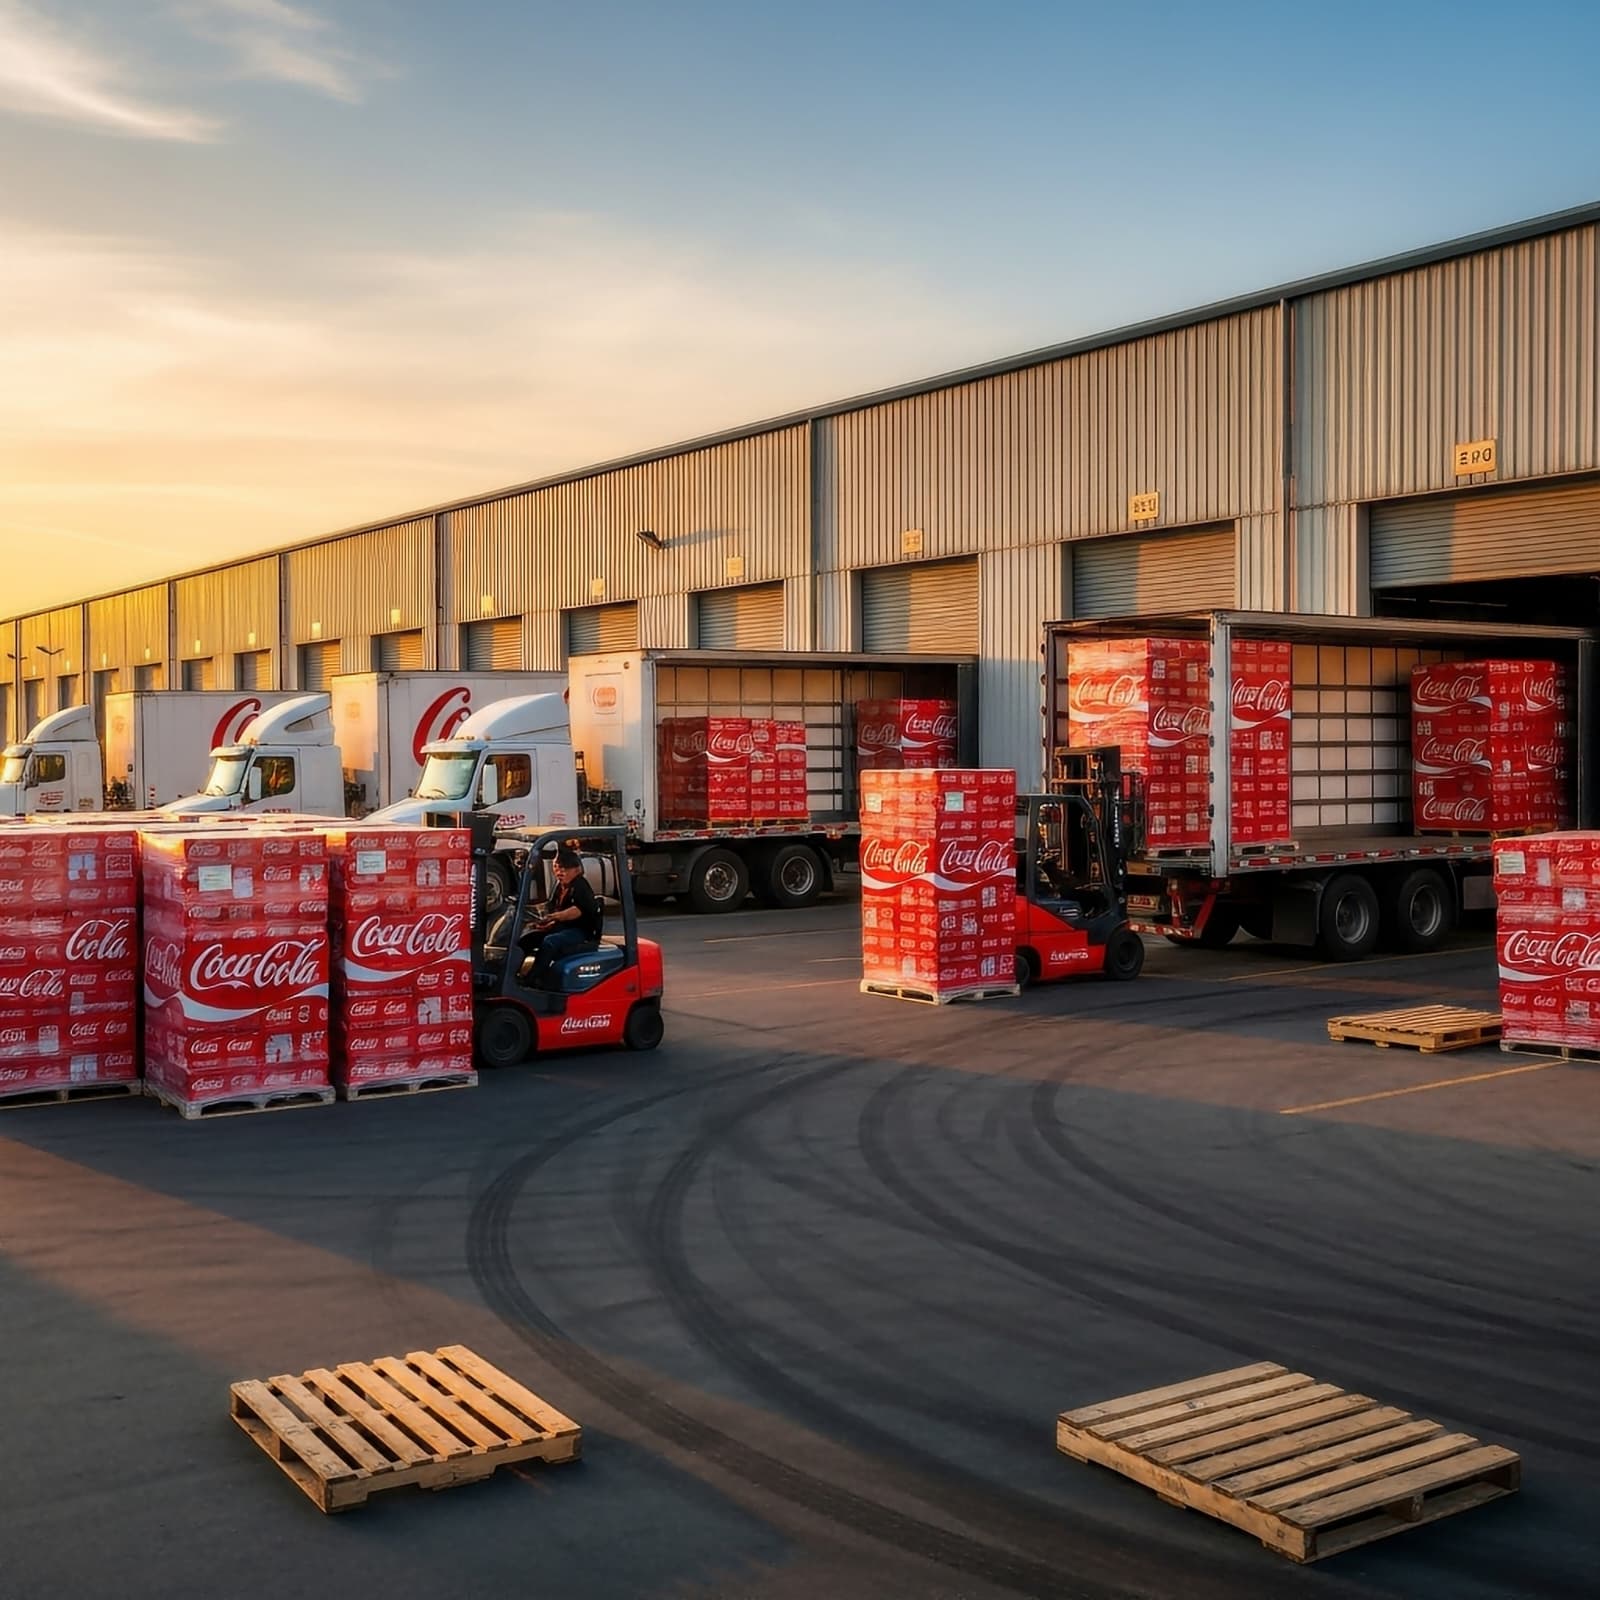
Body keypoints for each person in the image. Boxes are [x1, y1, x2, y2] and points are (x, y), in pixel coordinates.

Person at [529, 846, 603, 984]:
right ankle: (516, 973)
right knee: (529, 937)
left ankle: (535, 978)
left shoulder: (580, 885)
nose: (559, 872)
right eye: (557, 868)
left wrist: (552, 917)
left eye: (564, 869)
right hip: (565, 927)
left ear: (576, 870)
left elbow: (576, 911)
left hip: (581, 931)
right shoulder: (560, 886)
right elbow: (551, 906)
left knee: (550, 942)